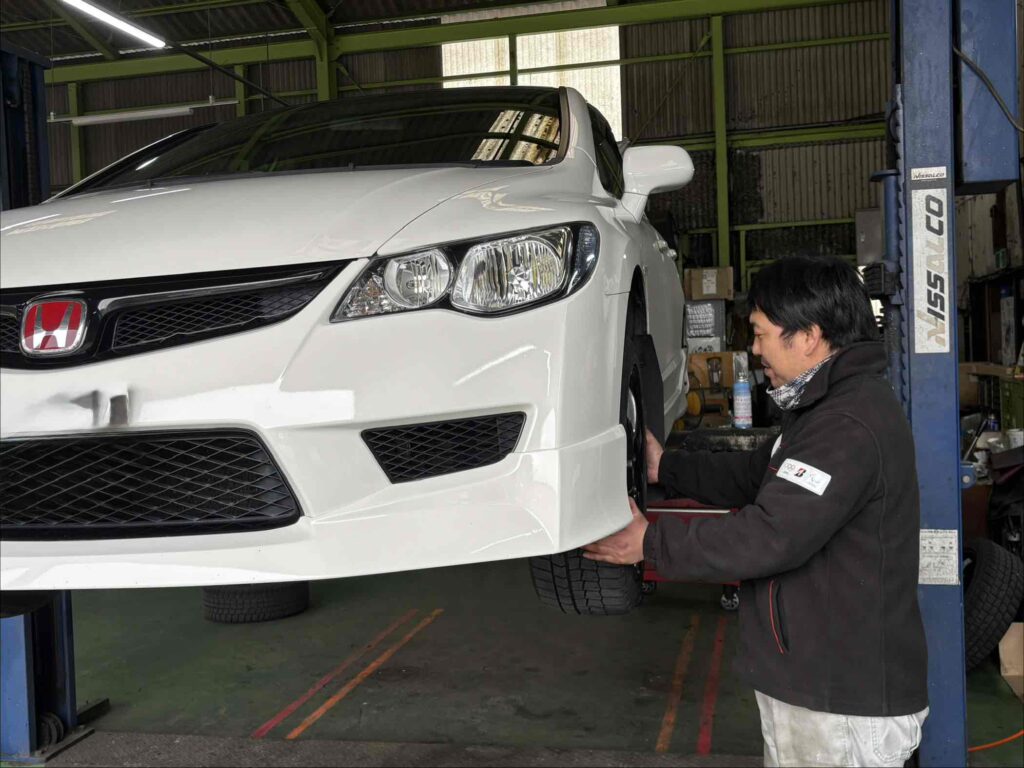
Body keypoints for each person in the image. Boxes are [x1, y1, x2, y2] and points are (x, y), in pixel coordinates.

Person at [583, 255, 929, 768]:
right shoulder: (824, 409)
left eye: (762, 333)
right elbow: (755, 476)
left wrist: (650, 544)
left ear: (808, 336)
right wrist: (666, 468)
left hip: (838, 704)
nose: (755, 348)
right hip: (820, 687)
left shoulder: (846, 425)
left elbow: (772, 535)